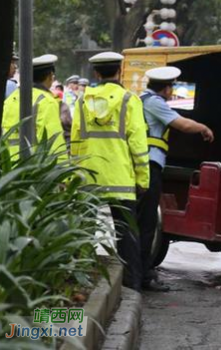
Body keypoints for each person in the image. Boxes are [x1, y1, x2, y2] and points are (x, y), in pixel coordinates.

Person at [71, 52, 150, 291]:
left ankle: (80, 279)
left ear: (96, 73)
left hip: (89, 176)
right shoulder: (130, 100)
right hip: (121, 179)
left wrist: (76, 174)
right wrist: (143, 179)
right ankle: (132, 283)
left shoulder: (83, 100)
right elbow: (138, 144)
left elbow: (76, 140)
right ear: (120, 70)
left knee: (85, 232)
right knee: (127, 235)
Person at [138, 67, 214, 291]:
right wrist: (203, 128)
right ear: (166, 87)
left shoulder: (141, 100)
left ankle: (137, 272)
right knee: (147, 222)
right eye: (172, 86)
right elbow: (181, 124)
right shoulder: (154, 103)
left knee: (142, 220)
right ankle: (143, 275)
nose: (172, 91)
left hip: (142, 164)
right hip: (149, 165)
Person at [2, 54, 67, 160]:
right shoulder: (46, 101)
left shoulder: (11, 99)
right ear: (50, 76)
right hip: (34, 168)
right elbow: (54, 142)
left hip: (9, 168)